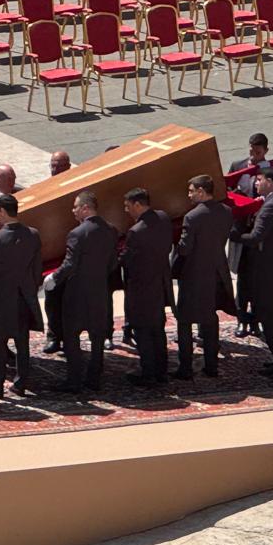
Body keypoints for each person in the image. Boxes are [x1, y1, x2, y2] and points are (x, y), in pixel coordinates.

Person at [44, 190, 118, 394]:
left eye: (76, 206)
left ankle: (74, 379)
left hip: (77, 294)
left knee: (71, 337)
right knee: (97, 338)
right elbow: (113, 263)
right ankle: (94, 378)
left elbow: (69, 264)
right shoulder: (110, 230)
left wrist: (53, 278)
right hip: (99, 292)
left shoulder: (77, 234)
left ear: (86, 208)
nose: (73, 210)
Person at [231, 167, 273, 375]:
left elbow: (256, 237)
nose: (256, 184)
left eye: (259, 180)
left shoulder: (270, 206)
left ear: (269, 181)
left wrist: (234, 235)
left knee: (270, 318)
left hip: (267, 273)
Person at [0, 193, 43, 397]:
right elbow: (36, 269)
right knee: (22, 343)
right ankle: (21, 383)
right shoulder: (32, 234)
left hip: (1, 301)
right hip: (24, 298)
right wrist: (31, 288)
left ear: (2, 211)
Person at [172, 173, 233, 379]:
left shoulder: (192, 217)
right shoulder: (226, 211)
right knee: (209, 319)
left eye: (191, 191)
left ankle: (185, 367)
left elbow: (185, 248)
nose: (188, 195)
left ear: (201, 191)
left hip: (193, 275)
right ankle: (212, 365)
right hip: (215, 271)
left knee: (184, 320)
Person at [121, 187, 173, 387]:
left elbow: (128, 261)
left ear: (137, 204)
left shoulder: (136, 232)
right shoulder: (163, 218)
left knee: (142, 331)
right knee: (157, 329)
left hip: (141, 288)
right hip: (159, 284)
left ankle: (148, 373)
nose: (127, 211)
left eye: (128, 206)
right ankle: (161, 371)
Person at [227, 132, 273, 337]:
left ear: (265, 151)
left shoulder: (270, 170)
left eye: (258, 152)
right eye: (251, 150)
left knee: (256, 278)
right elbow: (227, 191)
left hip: (258, 231)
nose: (254, 155)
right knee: (242, 278)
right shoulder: (238, 166)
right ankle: (242, 320)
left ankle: (256, 320)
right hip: (241, 230)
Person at [42, 149, 72, 353]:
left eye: (59, 166)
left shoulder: (76, 187)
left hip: (71, 254)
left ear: (68, 167)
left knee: (70, 300)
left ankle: (69, 337)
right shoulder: (44, 189)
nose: (55, 169)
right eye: (53, 165)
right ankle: (53, 336)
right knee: (52, 299)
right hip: (51, 255)